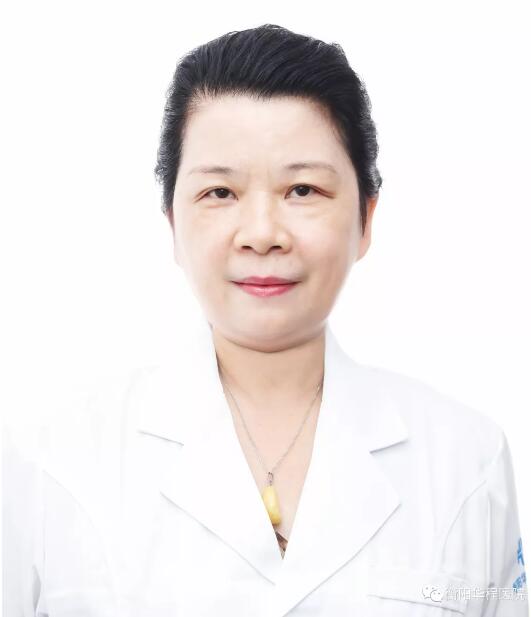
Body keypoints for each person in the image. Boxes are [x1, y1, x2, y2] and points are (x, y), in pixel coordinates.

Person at [3, 23, 528, 617]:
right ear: (172, 222)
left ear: (366, 219)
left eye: (302, 190)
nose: (262, 234)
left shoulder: (465, 460)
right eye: (220, 193)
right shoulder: (52, 459)